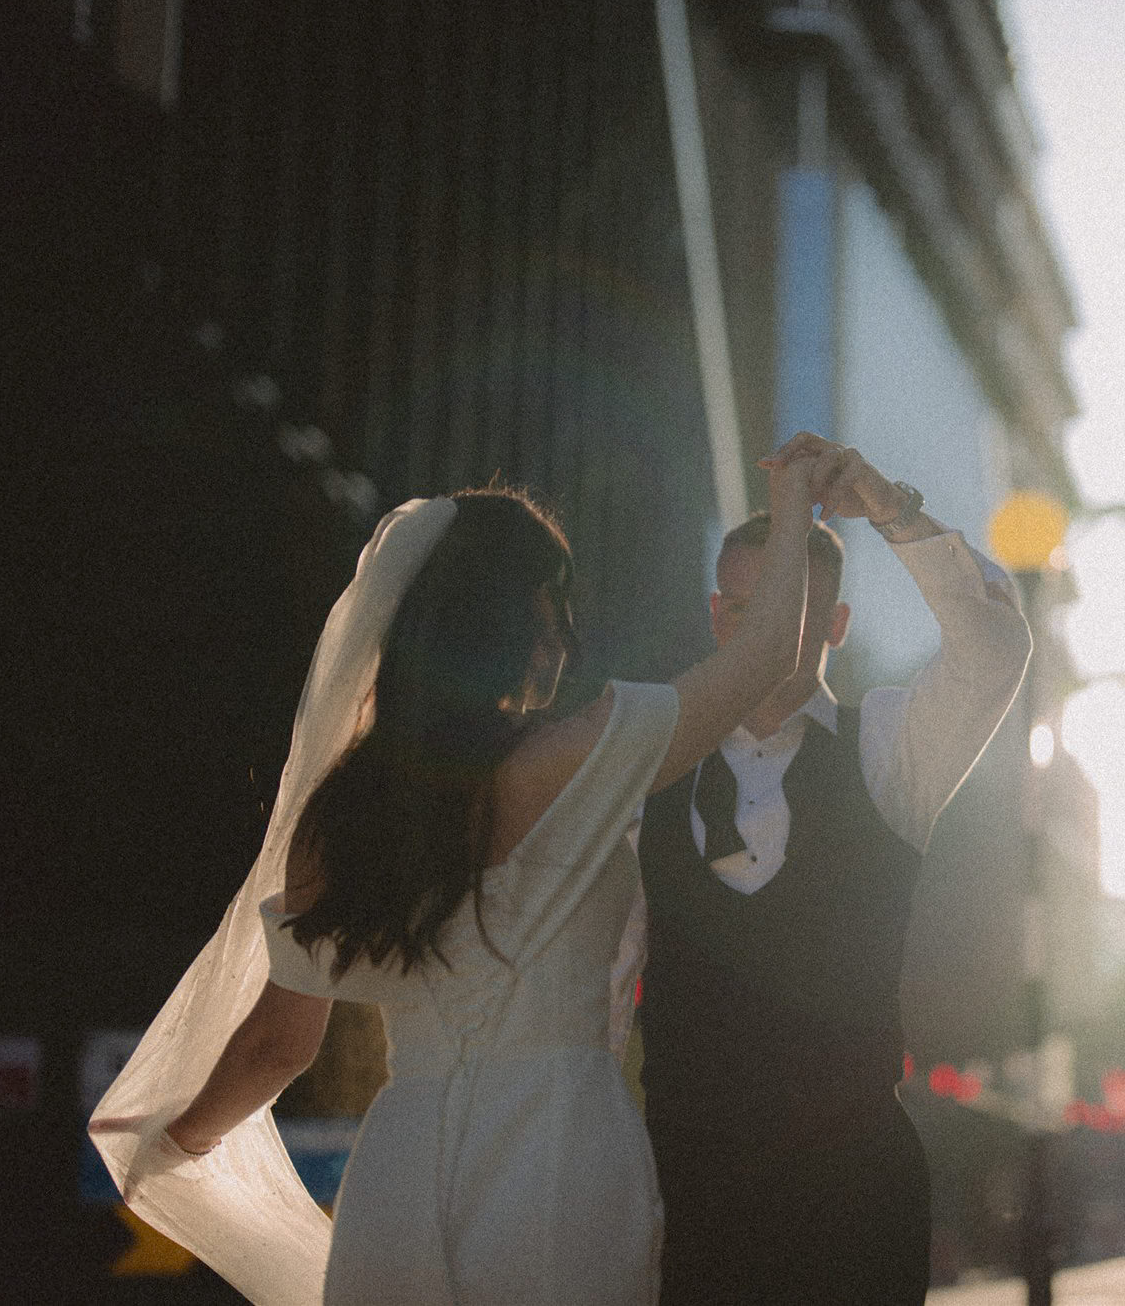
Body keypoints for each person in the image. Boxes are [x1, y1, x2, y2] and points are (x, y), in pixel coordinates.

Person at [90, 448, 821, 1305]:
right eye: (553, 602)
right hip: (556, 1156)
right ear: (510, 617)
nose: (564, 632)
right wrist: (796, 492)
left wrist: (170, 1142)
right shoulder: (575, 758)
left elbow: (275, 1045)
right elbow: (768, 651)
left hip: (400, 1164)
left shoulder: (342, 816)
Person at [636, 431, 1033, 1304]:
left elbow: (997, 648)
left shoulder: (889, 748)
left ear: (840, 624)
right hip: (688, 1196)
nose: (771, 630)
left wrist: (891, 506)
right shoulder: (651, 763)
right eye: (746, 610)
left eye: (797, 607)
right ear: (715, 616)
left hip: (855, 1198)